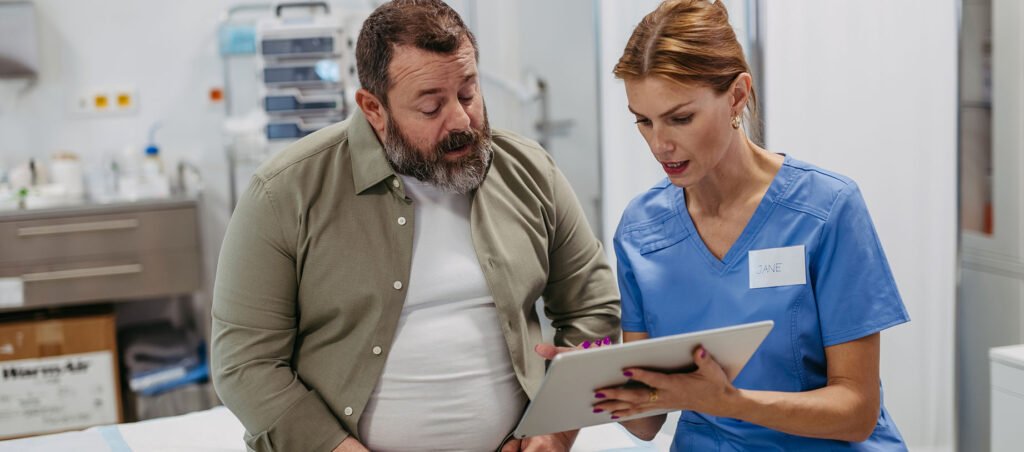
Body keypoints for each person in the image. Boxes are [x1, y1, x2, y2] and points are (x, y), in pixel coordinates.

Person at [210, 1, 620, 451]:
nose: (462, 121)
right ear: (373, 108)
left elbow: (593, 309)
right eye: (431, 107)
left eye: (468, 93)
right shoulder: (285, 193)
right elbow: (244, 364)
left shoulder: (528, 171)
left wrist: (557, 429)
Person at [589, 0, 911, 450]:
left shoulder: (826, 210)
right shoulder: (642, 231)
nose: (659, 144)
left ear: (738, 95)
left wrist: (730, 401)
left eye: (680, 118)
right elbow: (647, 423)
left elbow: (856, 412)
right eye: (643, 120)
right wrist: (594, 381)